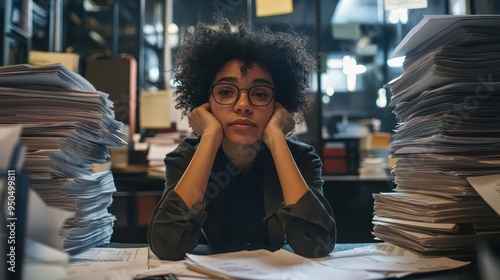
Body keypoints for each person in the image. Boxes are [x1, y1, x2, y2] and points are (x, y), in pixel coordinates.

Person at [148, 16, 336, 261]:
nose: (243, 105)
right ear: (205, 103)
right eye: (226, 92)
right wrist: (210, 137)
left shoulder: (301, 159)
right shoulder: (185, 158)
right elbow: (167, 245)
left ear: (278, 106)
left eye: (259, 94)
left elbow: (315, 245)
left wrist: (277, 138)